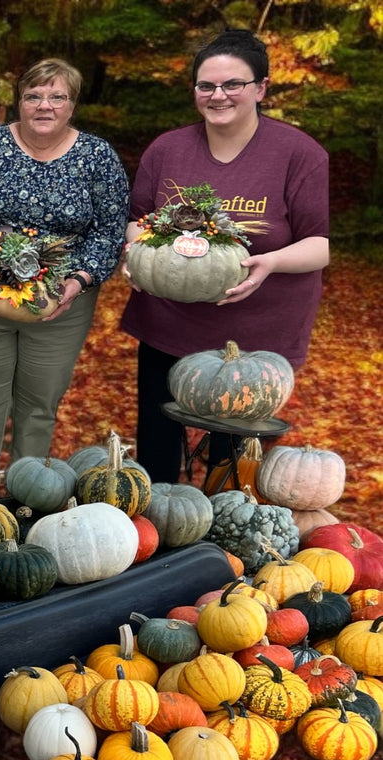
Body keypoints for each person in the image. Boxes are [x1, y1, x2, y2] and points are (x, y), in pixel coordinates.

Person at [121, 28, 329, 482]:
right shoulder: (168, 149)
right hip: (169, 324)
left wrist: (270, 262)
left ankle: (219, 552)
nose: (218, 95)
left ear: (261, 88)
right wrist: (136, 253)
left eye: (233, 84)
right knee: (157, 455)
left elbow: (319, 246)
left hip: (256, 338)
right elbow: (138, 219)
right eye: (206, 85)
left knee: (231, 469)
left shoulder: (298, 154)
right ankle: (160, 544)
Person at [0, 58, 128, 489]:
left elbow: (108, 231)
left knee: (39, 403)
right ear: (19, 102)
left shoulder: (97, 156)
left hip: (60, 301)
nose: (44, 105)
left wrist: (77, 282)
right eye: (34, 96)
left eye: (56, 96)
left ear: (72, 104)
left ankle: (25, 500)